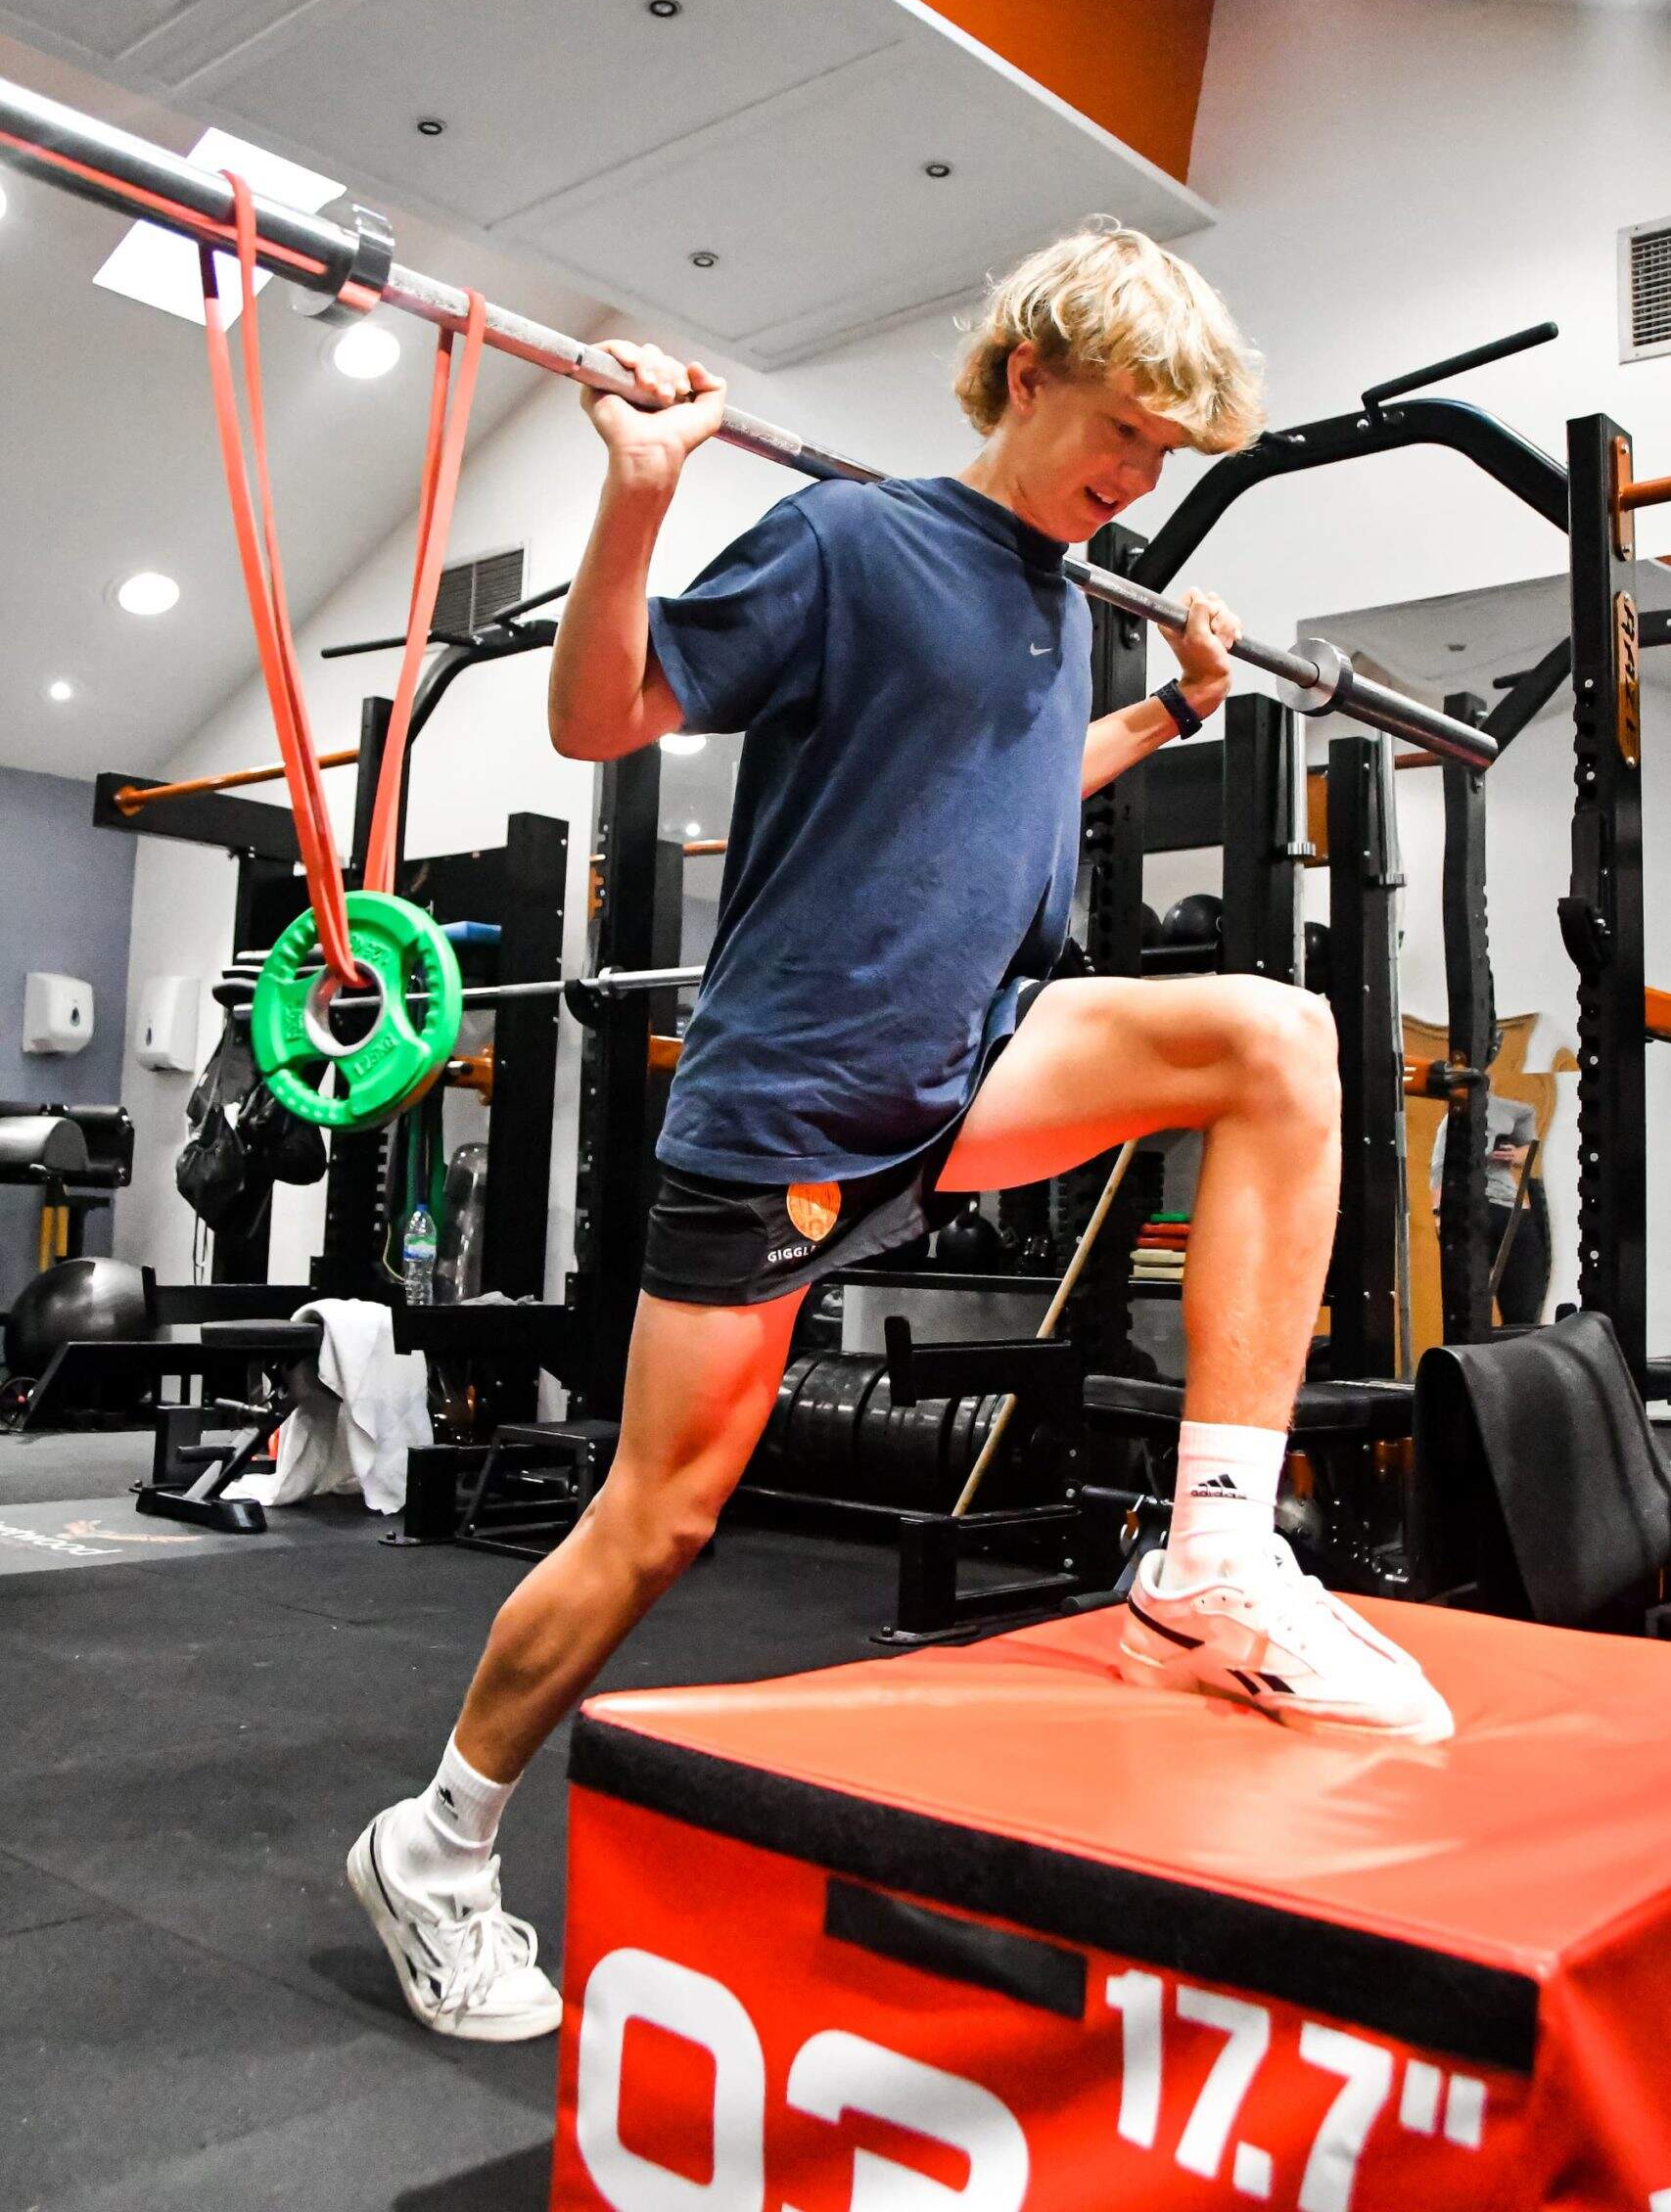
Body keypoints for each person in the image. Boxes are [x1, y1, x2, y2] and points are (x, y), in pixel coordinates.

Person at [348, 221, 1454, 2044]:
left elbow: (1000, 783)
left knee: (1275, 1040)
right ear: (1024, 375)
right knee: (658, 1519)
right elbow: (595, 713)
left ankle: (1212, 1558)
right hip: (794, 1092)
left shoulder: (1060, 596)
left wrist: (1167, 711)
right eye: (1119, 434)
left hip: (969, 1061)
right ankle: (439, 1839)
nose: (1134, 481)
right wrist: (638, 496)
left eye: (1163, 458)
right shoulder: (853, 540)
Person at [1430, 1088, 1543, 1326]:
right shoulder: (1454, 1119)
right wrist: (1440, 1214)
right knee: (1469, 1303)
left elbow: (1529, 1148)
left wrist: (1516, 1154)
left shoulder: (1511, 1111)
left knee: (1522, 1303)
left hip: (1510, 1210)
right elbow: (1439, 1167)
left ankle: (1518, 1345)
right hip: (1472, 1208)